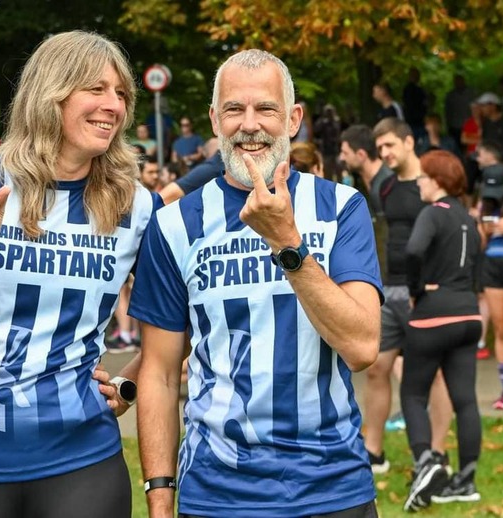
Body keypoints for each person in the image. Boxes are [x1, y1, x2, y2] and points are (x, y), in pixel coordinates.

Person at [0, 31, 157, 518]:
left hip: (81, 462)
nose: (113, 105)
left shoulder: (137, 206)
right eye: (96, 89)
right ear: (50, 92)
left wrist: (127, 387)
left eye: (121, 93)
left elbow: (176, 324)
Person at [131, 48, 382, 518]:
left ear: (293, 120)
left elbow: (363, 345)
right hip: (217, 494)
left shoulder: (341, 207)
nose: (250, 124)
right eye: (234, 109)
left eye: (266, 108)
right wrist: (160, 499)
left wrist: (288, 242)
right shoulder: (174, 225)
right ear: (213, 119)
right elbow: (160, 374)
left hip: (332, 489)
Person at [364, 118, 453, 475]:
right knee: (376, 368)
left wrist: (439, 284)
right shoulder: (386, 188)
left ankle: (437, 454)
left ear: (409, 142)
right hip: (390, 290)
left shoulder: (432, 184)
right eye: (379, 148)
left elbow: (450, 233)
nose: (384, 153)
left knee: (433, 375)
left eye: (389, 146)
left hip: (425, 293)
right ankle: (373, 452)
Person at [400, 151, 482, 512]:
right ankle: (465, 480)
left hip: (433, 315)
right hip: (469, 315)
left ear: (438, 181)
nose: (418, 182)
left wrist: (416, 290)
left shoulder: (432, 213)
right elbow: (475, 272)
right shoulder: (469, 219)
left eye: (423, 177)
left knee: (413, 395)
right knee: (466, 399)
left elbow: (414, 251)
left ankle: (426, 463)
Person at [475, 141, 503, 410]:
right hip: (492, 267)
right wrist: (484, 230)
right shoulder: (485, 203)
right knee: (501, 328)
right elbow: (479, 243)